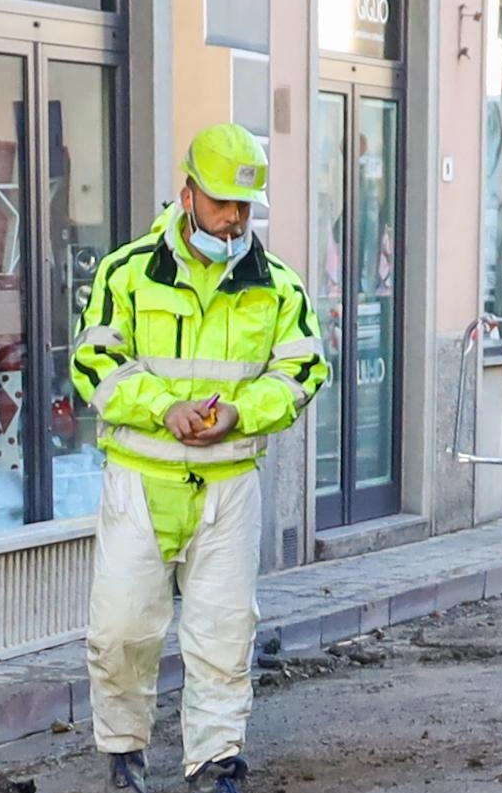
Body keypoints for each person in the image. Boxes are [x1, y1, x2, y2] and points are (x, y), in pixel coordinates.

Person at [71, 123, 329, 793]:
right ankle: (125, 756)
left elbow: (304, 369)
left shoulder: (277, 285)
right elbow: (93, 359)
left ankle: (216, 764)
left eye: (245, 206)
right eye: (221, 202)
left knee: (222, 635)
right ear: (188, 194)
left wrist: (245, 411)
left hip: (227, 486)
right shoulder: (126, 272)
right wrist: (163, 407)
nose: (234, 217)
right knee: (122, 632)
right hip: (141, 478)